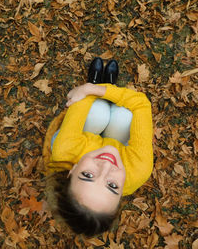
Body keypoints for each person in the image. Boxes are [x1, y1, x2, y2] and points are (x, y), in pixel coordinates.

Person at [43, 57, 153, 236]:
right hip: (116, 143)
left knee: (98, 112)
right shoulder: (138, 169)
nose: (106, 166)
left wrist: (89, 88)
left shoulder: (65, 150)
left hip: (82, 141)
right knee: (123, 116)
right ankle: (110, 87)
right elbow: (141, 104)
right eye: (112, 185)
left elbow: (81, 99)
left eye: (87, 175)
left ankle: (96, 82)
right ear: (120, 198)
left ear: (72, 171)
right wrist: (102, 91)